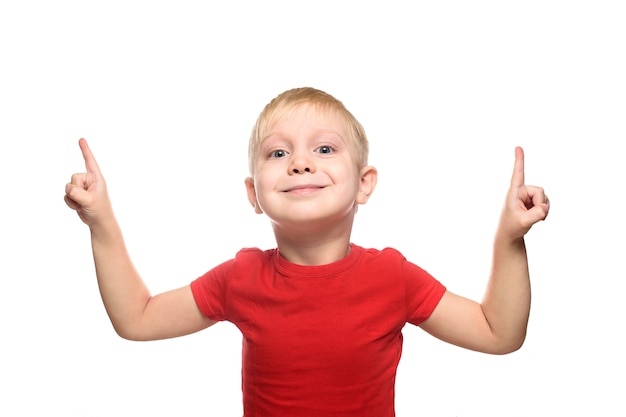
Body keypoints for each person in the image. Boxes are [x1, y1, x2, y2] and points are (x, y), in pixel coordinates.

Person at [65, 87, 550, 416]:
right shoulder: (241, 277)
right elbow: (138, 318)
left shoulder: (393, 277)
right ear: (254, 194)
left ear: (364, 184)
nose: (299, 163)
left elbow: (498, 333)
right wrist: (101, 219)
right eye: (279, 153)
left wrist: (509, 238)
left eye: (323, 149)